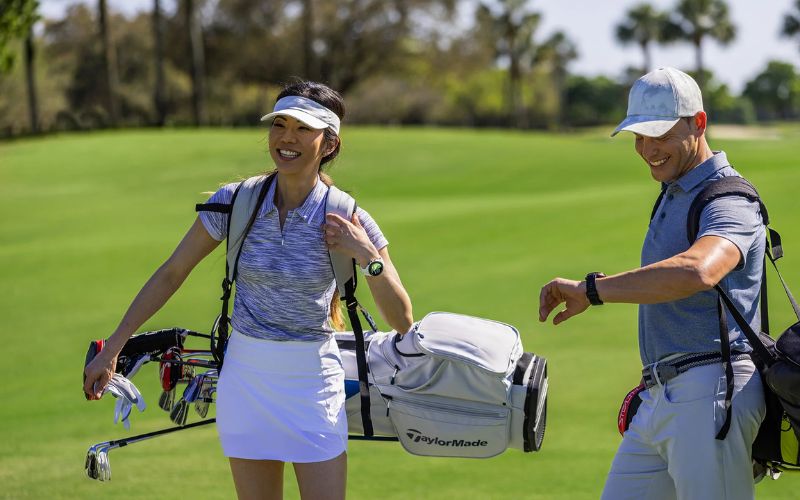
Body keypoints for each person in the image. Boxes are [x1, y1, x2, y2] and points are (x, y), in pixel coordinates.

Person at [83, 81, 414, 500]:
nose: (286, 138)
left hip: (312, 384)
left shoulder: (347, 215)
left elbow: (402, 320)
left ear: (329, 142)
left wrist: (366, 255)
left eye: (302, 128)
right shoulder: (236, 202)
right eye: (280, 124)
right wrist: (114, 346)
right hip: (246, 381)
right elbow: (172, 272)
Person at [538, 67, 766, 499]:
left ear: (698, 124)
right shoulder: (675, 190)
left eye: (659, 135)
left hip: (710, 391)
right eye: (639, 137)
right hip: (661, 395)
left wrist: (593, 290)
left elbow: (700, 270)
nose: (647, 149)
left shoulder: (729, 198)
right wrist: (598, 289)